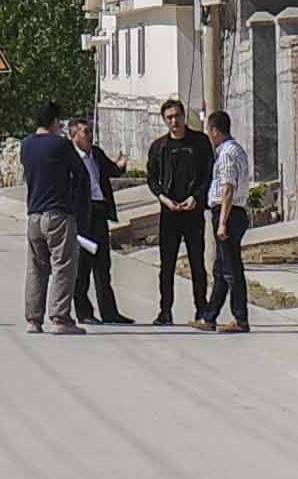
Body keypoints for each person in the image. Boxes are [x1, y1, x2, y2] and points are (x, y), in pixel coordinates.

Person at [14, 107, 95, 332]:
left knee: (36, 268)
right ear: (54, 122)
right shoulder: (59, 144)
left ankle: (33, 319)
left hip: (34, 214)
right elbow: (80, 173)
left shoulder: (26, 144)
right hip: (58, 213)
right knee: (63, 265)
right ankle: (60, 318)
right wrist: (79, 207)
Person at [141, 101, 216, 327]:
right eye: (169, 118)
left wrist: (196, 197)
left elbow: (208, 175)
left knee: (197, 264)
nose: (174, 122)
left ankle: (201, 310)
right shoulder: (159, 147)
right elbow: (152, 178)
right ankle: (165, 311)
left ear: (184, 116)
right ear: (165, 120)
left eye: (177, 116)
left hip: (192, 212)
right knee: (167, 265)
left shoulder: (200, 143)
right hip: (170, 213)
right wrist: (163, 198)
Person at [200, 112, 254, 331]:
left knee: (231, 269)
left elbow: (228, 188)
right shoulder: (238, 150)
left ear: (215, 131)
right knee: (221, 268)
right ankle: (209, 316)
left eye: (208, 131)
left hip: (228, 214)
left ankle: (240, 319)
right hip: (236, 212)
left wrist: (222, 222)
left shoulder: (226, 155)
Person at [75, 124, 133, 322]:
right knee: (82, 265)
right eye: (85, 132)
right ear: (74, 136)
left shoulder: (96, 154)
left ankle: (109, 312)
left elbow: (112, 171)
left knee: (102, 264)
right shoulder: (70, 158)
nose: (90, 136)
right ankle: (84, 312)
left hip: (99, 212)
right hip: (82, 215)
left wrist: (121, 163)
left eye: (91, 131)